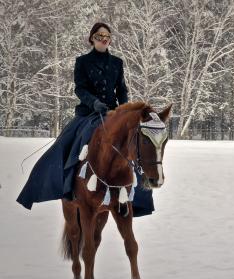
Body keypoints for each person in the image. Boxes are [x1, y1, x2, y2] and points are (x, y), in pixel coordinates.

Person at [17, 22, 154, 217]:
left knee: (134, 144)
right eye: (99, 35)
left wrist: (124, 111)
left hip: (114, 113)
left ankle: (139, 196)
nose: (104, 39)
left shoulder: (117, 62)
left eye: (107, 36)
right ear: (92, 38)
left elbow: (121, 89)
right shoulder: (82, 61)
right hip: (89, 113)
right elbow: (80, 88)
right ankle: (68, 187)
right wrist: (94, 102)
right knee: (65, 145)